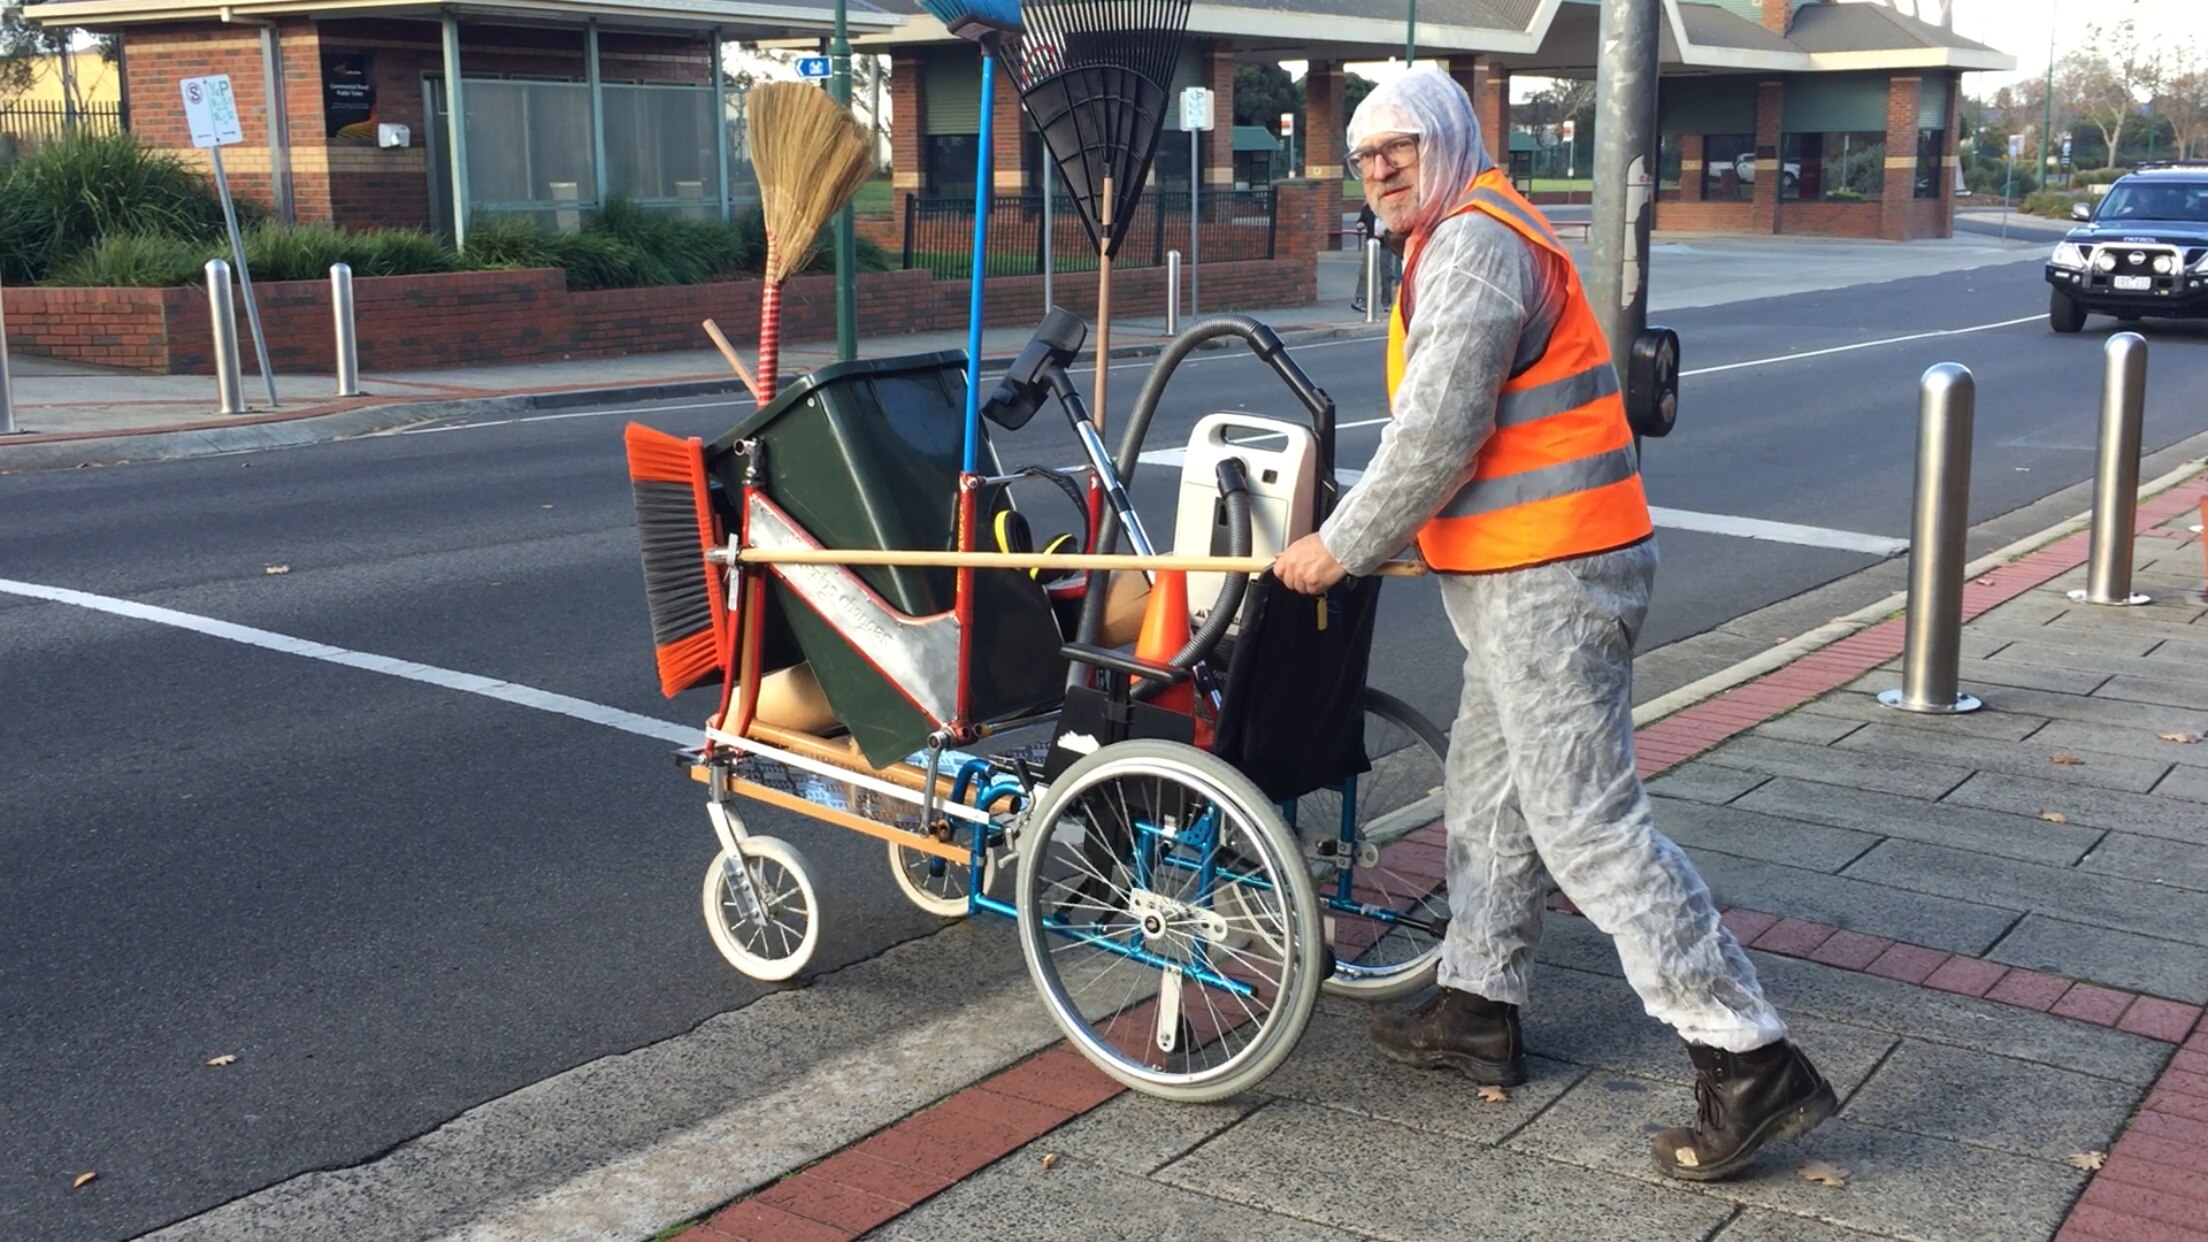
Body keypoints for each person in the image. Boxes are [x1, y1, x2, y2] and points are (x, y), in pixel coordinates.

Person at [1270, 67, 1836, 1183]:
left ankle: (1748, 1055)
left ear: (1449, 141)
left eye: (1400, 147)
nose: (1379, 168)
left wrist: (1335, 547)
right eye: (1364, 153)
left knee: (1585, 822)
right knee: (1486, 792)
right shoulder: (1455, 233)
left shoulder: (1476, 243)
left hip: (1555, 578)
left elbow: (1438, 433)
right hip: (1523, 574)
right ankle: (1478, 1003)